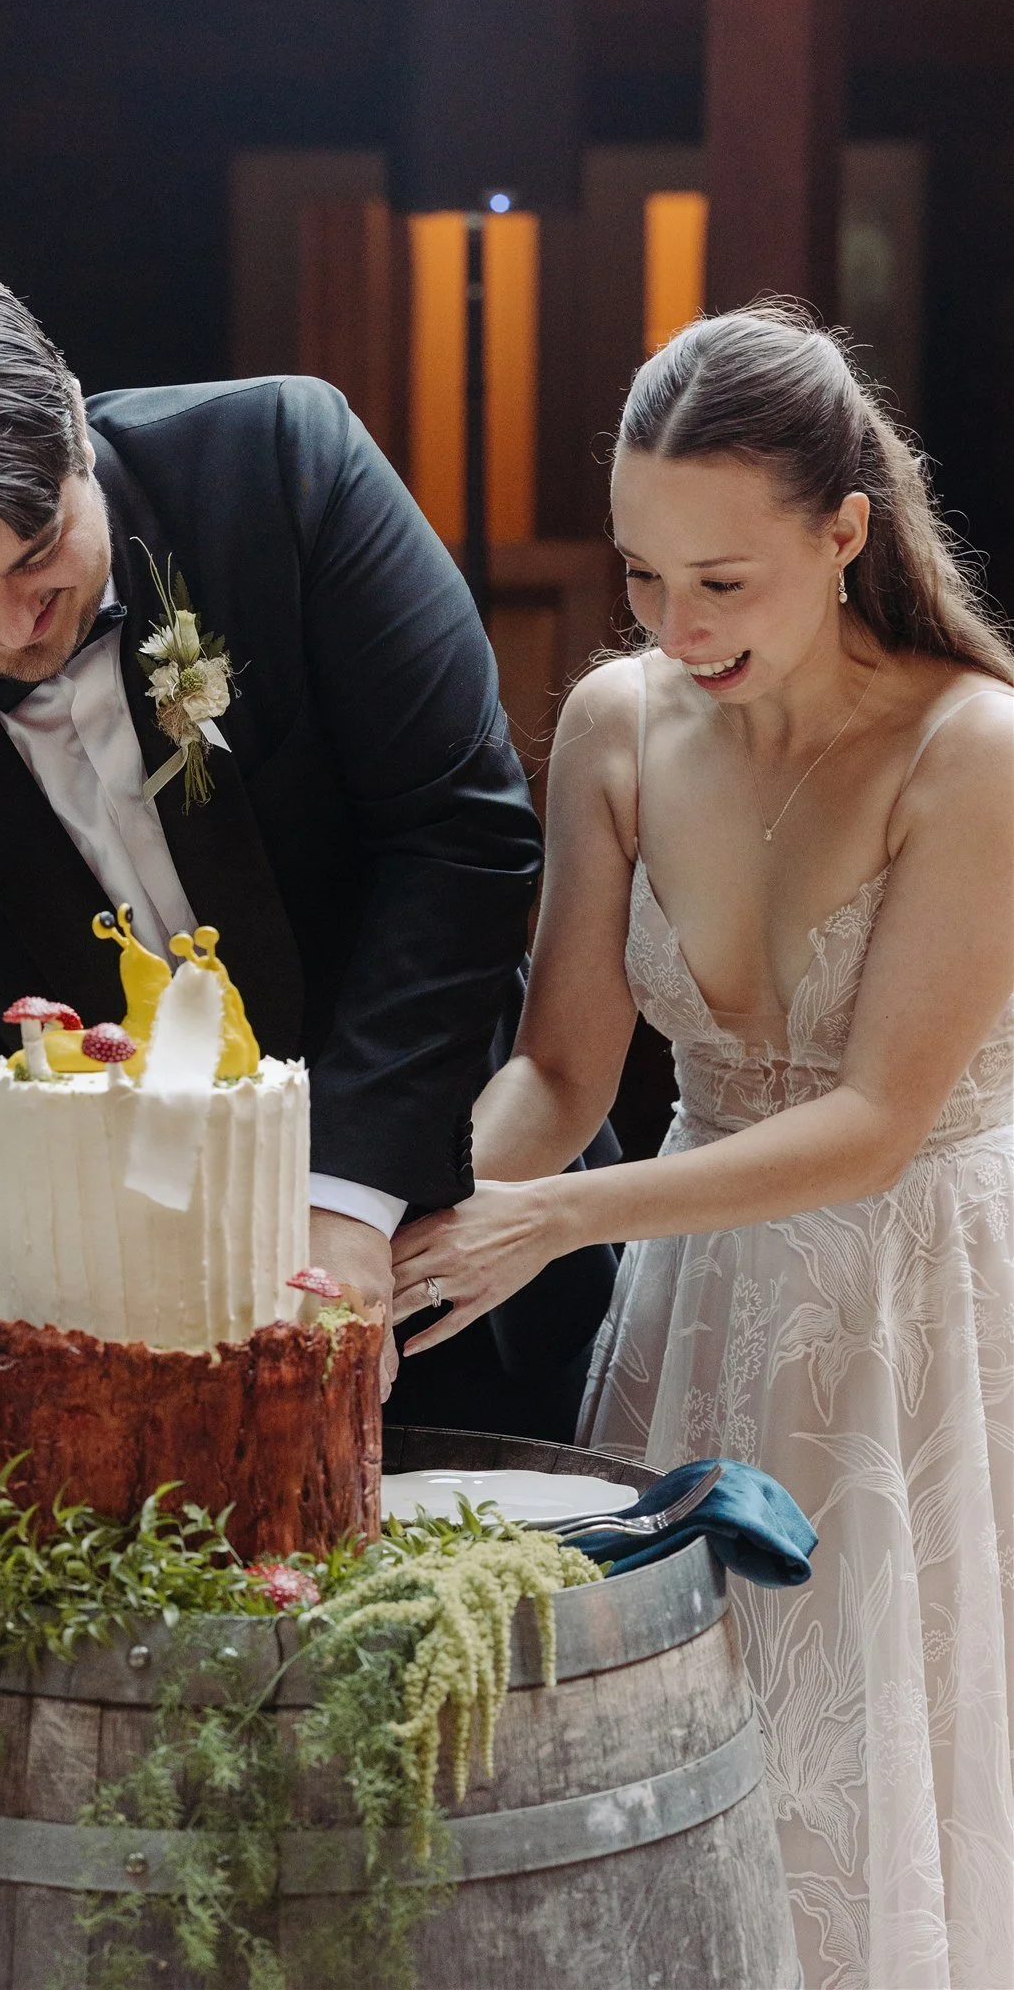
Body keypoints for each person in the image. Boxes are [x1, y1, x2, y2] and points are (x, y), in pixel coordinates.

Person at [392, 308, 1014, 1987]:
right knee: (671, 1761)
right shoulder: (617, 720)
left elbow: (878, 1122)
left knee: (874, 1764)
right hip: (687, 1299)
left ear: (844, 532)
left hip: (912, 1315)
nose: (675, 625)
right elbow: (561, 1061)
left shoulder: (974, 747)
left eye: (721, 582)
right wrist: (424, 1214)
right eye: (643, 574)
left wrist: (559, 1216)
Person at [0, 259, 617, 1426]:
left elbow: (458, 832)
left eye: (38, 555)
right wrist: (158, 1346)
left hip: (470, 1226)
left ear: (74, 417)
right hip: (161, 1364)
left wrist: (348, 1203)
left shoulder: (285, 466)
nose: (10, 628)